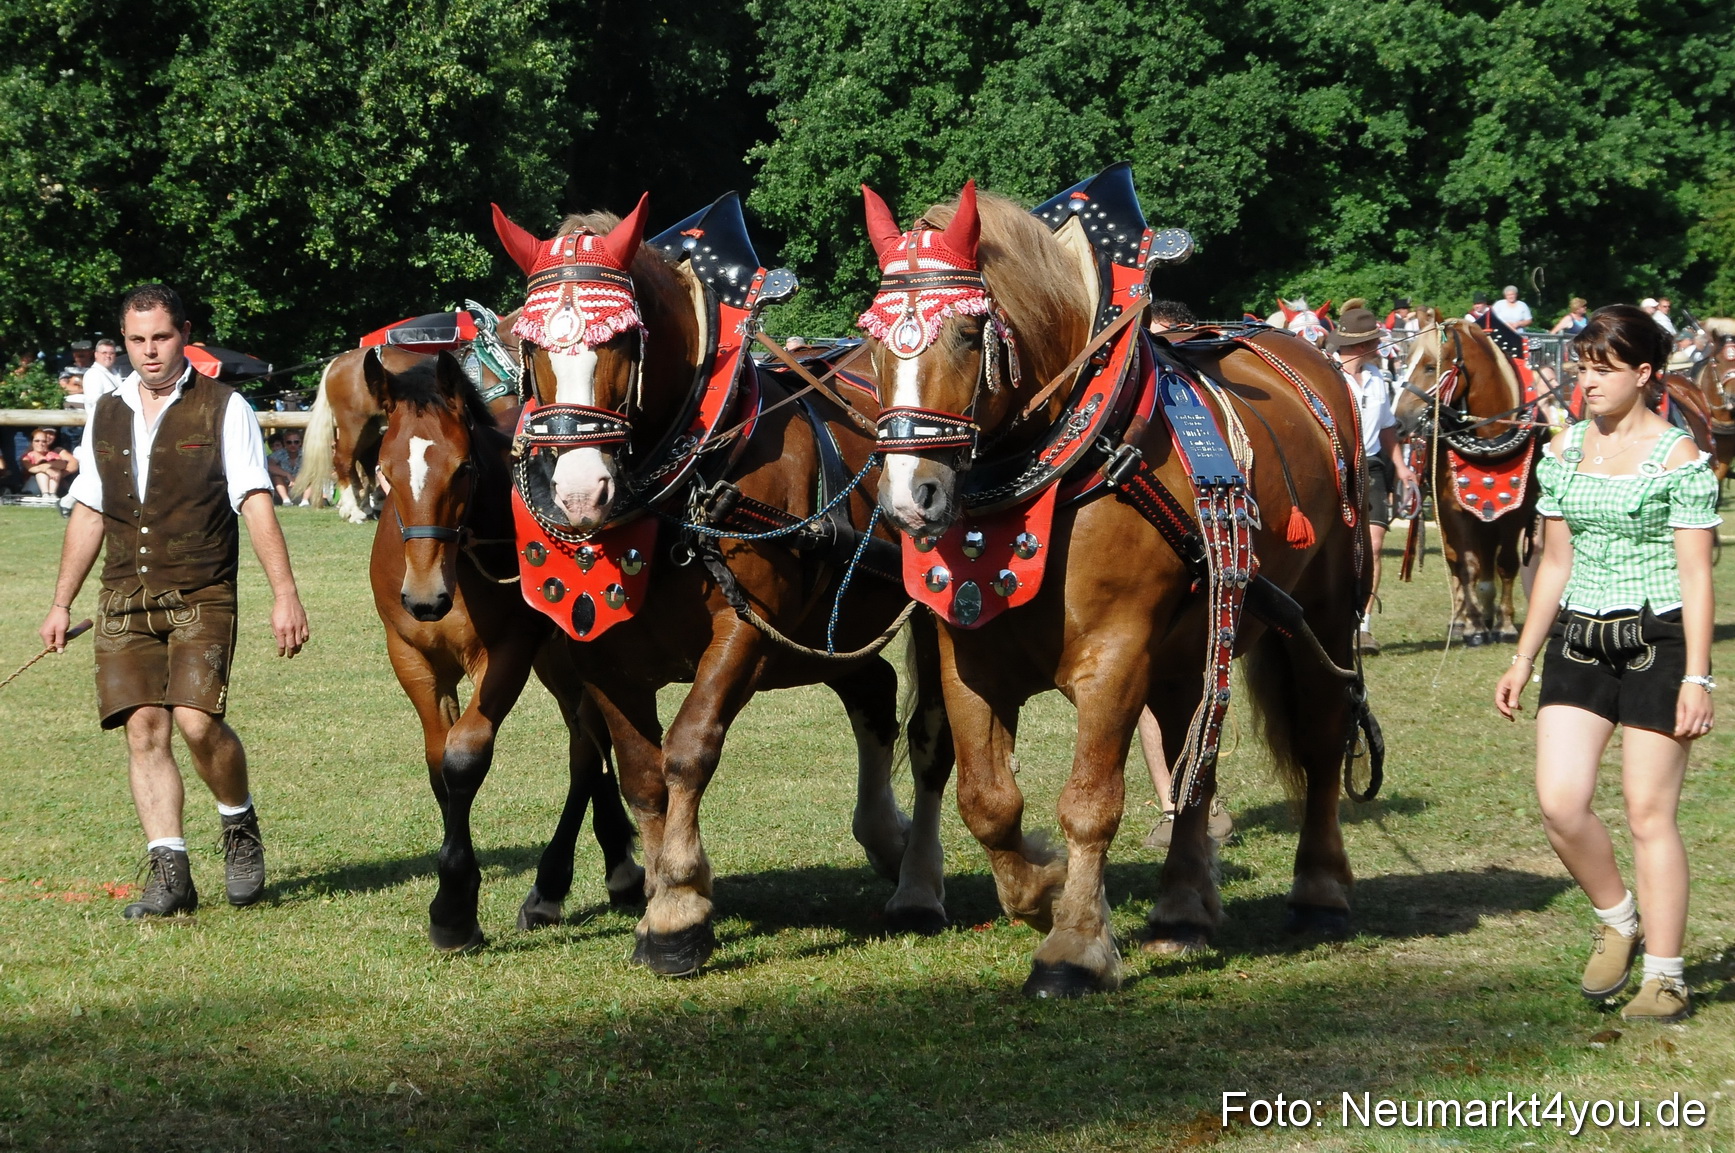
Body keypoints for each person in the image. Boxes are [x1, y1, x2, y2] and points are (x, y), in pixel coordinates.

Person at [38, 283, 310, 921]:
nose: (149, 352)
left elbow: (254, 501)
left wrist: (285, 595)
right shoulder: (106, 407)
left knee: (195, 721)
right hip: (123, 593)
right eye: (136, 340)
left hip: (202, 590)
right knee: (144, 727)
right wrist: (59, 601)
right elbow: (90, 508)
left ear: (184, 332)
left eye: (160, 337)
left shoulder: (225, 406)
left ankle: (238, 825)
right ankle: (170, 875)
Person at [1494, 305, 1718, 1023]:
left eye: (1601, 368)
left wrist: (1697, 676)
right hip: (1577, 639)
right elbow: (1552, 561)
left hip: (1657, 643)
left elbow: (1696, 577)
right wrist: (1523, 656)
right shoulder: (1560, 452)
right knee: (1560, 801)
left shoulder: (1678, 459)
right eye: (1580, 365)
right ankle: (1618, 917)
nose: (1583, 380)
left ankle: (1665, 976)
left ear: (1644, 374)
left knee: (1649, 812)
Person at [1140, 297, 1232, 847]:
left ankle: (1201, 794)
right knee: (1151, 686)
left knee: (1195, 681)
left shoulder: (1202, 408)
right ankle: (1171, 804)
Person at [1327, 306, 1417, 654]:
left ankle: (1363, 626)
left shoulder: (1378, 378)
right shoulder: (1329, 375)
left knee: (1375, 544)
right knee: (1340, 546)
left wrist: (1401, 465)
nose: (1380, 346)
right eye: (1375, 341)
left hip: (1374, 464)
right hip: (1337, 465)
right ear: (1361, 344)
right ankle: (1333, 617)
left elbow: (1387, 427)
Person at [20, 427, 77, 496]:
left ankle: (51, 495)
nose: (48, 437)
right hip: (34, 483)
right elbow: (31, 468)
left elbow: (65, 463)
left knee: (56, 472)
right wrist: (47, 470)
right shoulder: (27, 455)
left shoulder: (54, 452)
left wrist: (56, 473)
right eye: (37, 441)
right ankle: (46, 494)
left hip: (54, 483)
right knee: (41, 474)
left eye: (51, 434)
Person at [83, 337, 127, 402]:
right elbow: (95, 401)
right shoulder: (93, 374)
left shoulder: (116, 373)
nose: (108, 356)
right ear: (96, 354)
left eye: (111, 353)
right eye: (104, 353)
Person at [267, 430, 305, 504]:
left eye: (296, 442)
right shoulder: (280, 453)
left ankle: (305, 501)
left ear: (300, 443)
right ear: (284, 443)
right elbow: (269, 465)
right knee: (276, 476)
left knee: (312, 477)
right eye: (289, 442)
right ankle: (286, 500)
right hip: (284, 487)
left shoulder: (306, 454)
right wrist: (287, 474)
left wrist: (299, 479)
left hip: (302, 487)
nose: (293, 445)